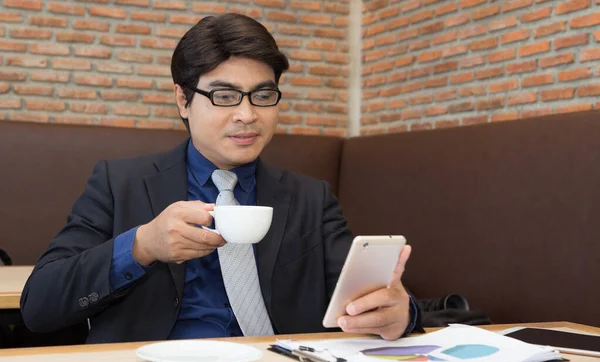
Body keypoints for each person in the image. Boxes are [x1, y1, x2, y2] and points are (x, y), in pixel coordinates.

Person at [20, 13, 421, 343]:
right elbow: (40, 305)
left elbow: (361, 299)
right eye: (225, 96)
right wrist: (142, 245)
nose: (247, 114)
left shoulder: (310, 198)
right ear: (183, 100)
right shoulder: (119, 182)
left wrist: (399, 313)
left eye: (262, 96)